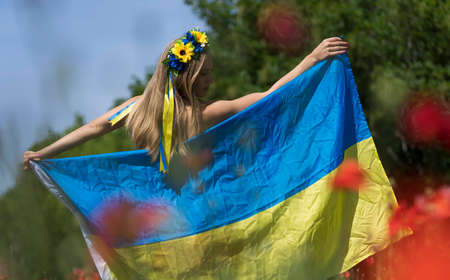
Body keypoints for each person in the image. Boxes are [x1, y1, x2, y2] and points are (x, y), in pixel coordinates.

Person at [23, 29, 348, 171]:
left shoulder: (136, 108)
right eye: (204, 74)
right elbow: (269, 96)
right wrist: (312, 58)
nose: (210, 81)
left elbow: (93, 128)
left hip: (151, 208)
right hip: (194, 206)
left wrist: (43, 153)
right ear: (184, 76)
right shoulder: (204, 113)